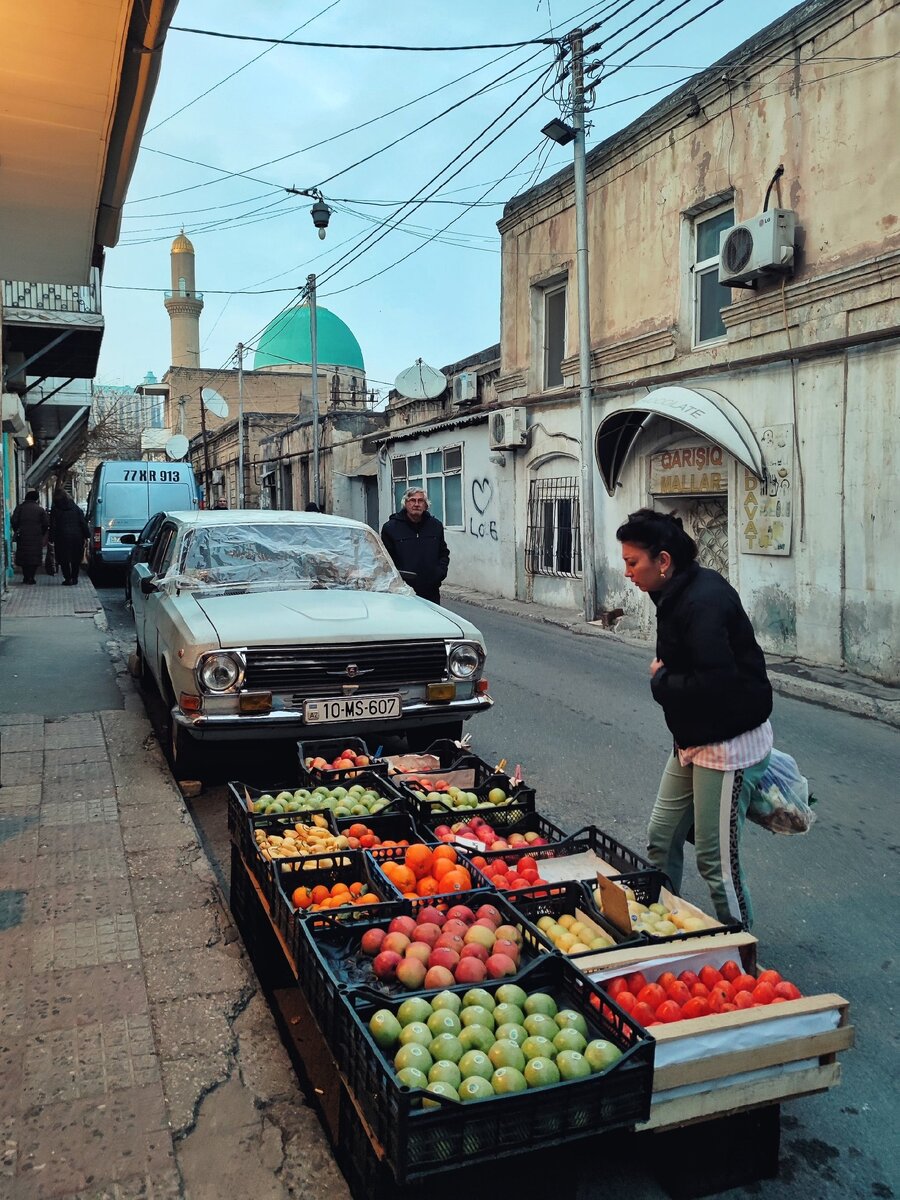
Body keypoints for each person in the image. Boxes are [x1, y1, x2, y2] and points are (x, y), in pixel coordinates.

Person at [617, 508, 773, 928]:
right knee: (662, 837)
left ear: (663, 561)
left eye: (633, 563)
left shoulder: (704, 599)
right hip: (691, 738)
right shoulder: (673, 592)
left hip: (725, 743)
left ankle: (742, 953)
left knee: (716, 862)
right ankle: (663, 928)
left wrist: (662, 680)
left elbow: (717, 683)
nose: (628, 573)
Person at [380, 488, 449, 604]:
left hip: (430, 591)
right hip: (402, 592)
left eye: (420, 501)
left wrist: (439, 573)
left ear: (426, 505)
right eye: (412, 500)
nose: (416, 504)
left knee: (431, 622)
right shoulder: (391, 528)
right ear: (405, 504)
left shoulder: (435, 526)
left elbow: (443, 553)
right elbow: (385, 560)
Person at [49, 488, 90, 585]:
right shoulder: (76, 508)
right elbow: (83, 523)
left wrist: (51, 538)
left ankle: (67, 578)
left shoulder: (55, 509)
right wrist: (87, 535)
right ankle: (75, 578)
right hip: (77, 537)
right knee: (76, 558)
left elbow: (53, 525)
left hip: (61, 537)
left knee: (64, 559)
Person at [11, 490, 48, 584]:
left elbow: (14, 521)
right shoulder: (40, 510)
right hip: (36, 537)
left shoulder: (20, 508)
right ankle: (31, 577)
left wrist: (18, 530)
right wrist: (41, 533)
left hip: (22, 536)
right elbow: (45, 524)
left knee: (24, 557)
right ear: (36, 499)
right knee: (34, 557)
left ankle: (26, 577)